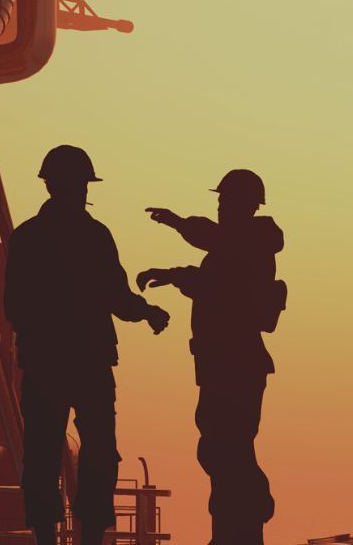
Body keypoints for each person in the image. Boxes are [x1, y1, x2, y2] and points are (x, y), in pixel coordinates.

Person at [4, 145, 169, 545]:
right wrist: (146, 312)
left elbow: (14, 305)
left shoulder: (28, 236)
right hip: (87, 362)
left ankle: (53, 534)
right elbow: (116, 296)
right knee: (93, 452)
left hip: (49, 364)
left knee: (47, 454)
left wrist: (144, 310)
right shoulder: (94, 236)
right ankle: (87, 535)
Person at [138, 169, 284, 545]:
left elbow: (218, 273)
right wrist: (176, 273)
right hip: (223, 366)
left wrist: (175, 229)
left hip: (236, 367)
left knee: (226, 448)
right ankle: (235, 528)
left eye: (226, 200)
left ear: (246, 205)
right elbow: (214, 280)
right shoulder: (236, 247)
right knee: (221, 449)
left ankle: (246, 517)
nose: (219, 206)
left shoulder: (251, 242)